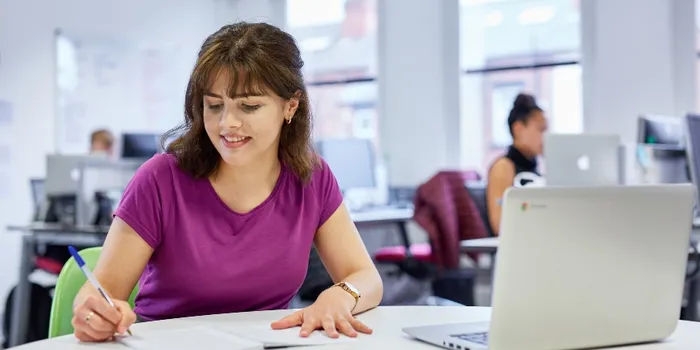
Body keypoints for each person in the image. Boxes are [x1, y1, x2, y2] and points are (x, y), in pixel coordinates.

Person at [71, 22, 383, 342]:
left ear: (290, 106)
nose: (227, 124)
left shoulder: (312, 178)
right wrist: (93, 313)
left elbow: (366, 278)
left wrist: (342, 294)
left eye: (249, 106)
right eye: (214, 105)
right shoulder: (159, 180)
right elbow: (99, 293)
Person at [485, 93, 548, 235]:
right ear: (518, 129)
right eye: (541, 130)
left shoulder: (535, 171)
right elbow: (500, 226)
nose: (546, 137)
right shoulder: (503, 168)